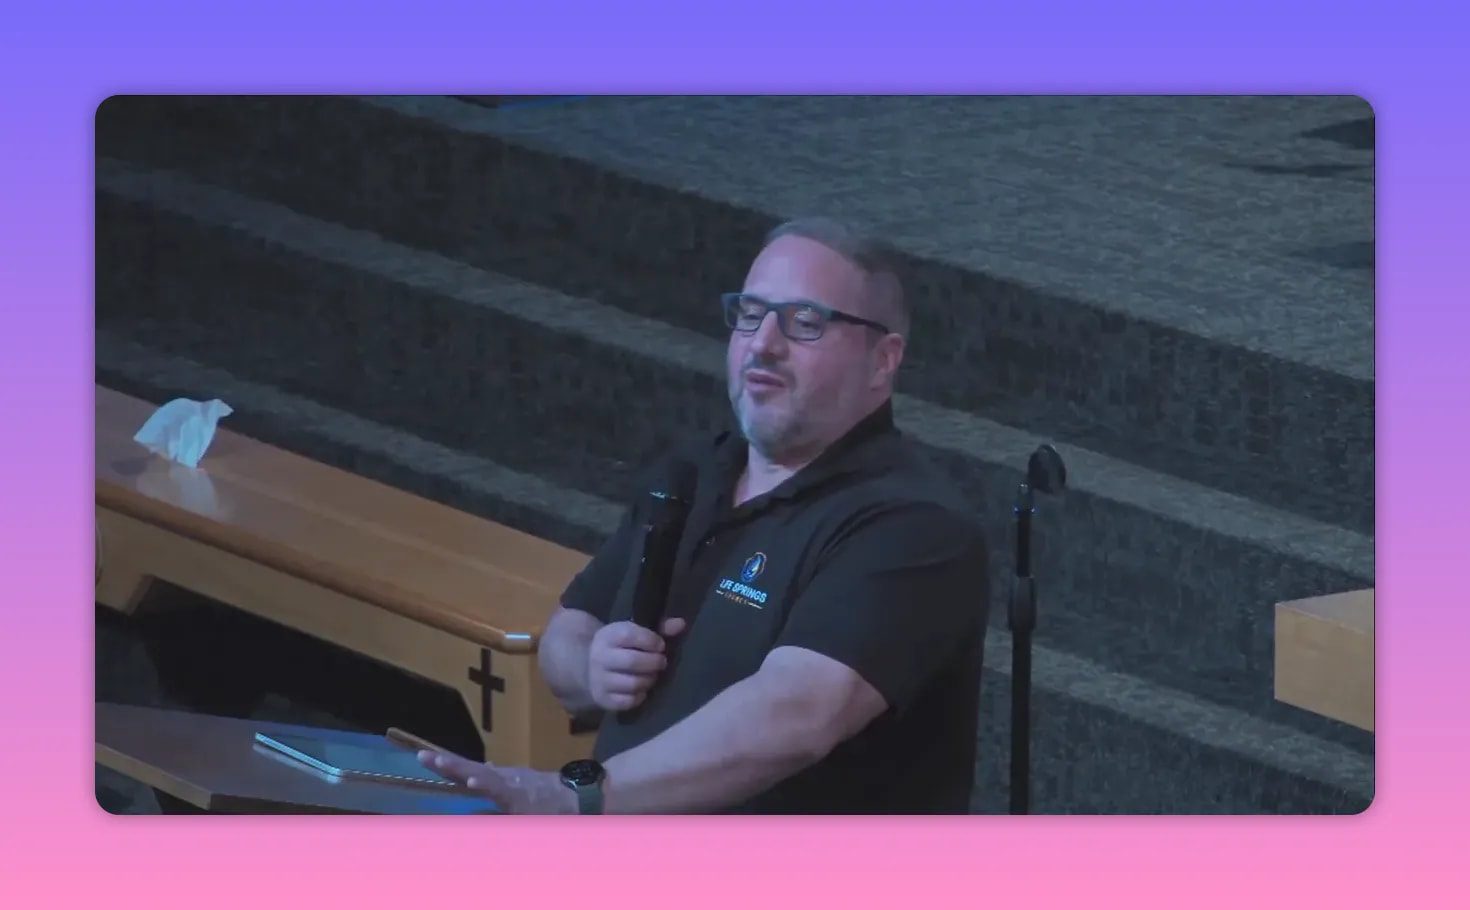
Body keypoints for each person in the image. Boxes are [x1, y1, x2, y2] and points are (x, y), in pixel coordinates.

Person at [420, 217, 991, 813]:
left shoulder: (913, 527)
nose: (763, 344)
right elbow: (569, 627)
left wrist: (583, 798)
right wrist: (592, 666)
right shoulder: (696, 474)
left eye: (804, 323)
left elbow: (798, 714)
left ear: (882, 361)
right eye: (751, 313)